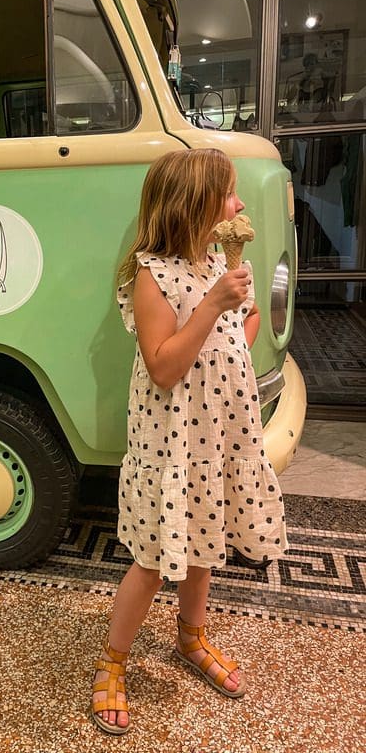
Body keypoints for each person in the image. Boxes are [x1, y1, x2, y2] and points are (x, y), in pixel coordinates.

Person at [90, 148, 288, 735]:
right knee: (152, 562)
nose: (240, 204)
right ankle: (112, 660)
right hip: (173, 446)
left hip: (217, 438)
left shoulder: (211, 265)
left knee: (205, 547)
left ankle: (191, 638)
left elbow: (233, 337)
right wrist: (213, 304)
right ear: (193, 204)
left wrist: (241, 312)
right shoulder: (155, 275)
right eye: (229, 194)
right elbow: (163, 366)